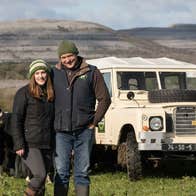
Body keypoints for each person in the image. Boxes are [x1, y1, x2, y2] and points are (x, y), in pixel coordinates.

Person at [52, 40, 111, 196]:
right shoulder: (53, 73)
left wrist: (94, 122)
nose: (67, 60)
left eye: (69, 56)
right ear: (60, 58)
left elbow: (105, 99)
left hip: (84, 131)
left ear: (76, 54)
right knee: (61, 172)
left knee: (82, 173)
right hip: (61, 132)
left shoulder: (91, 72)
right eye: (63, 57)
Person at [11, 59, 54, 196]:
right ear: (32, 76)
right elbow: (16, 119)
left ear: (47, 74)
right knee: (40, 175)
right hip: (30, 143)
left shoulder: (51, 94)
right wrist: (18, 143)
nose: (40, 76)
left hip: (47, 143)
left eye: (43, 73)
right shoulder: (23, 93)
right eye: (37, 73)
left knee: (41, 184)